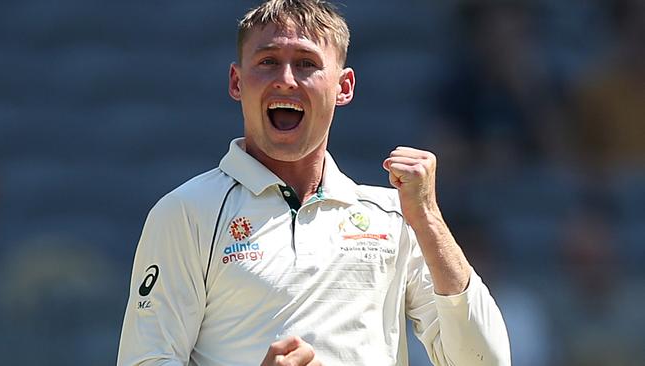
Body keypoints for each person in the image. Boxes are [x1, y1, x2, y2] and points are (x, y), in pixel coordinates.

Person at [117, 1, 510, 365]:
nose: (286, 80)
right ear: (237, 82)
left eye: (306, 63)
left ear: (344, 87)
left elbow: (484, 361)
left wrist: (428, 218)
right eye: (268, 61)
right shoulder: (187, 212)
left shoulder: (394, 216)